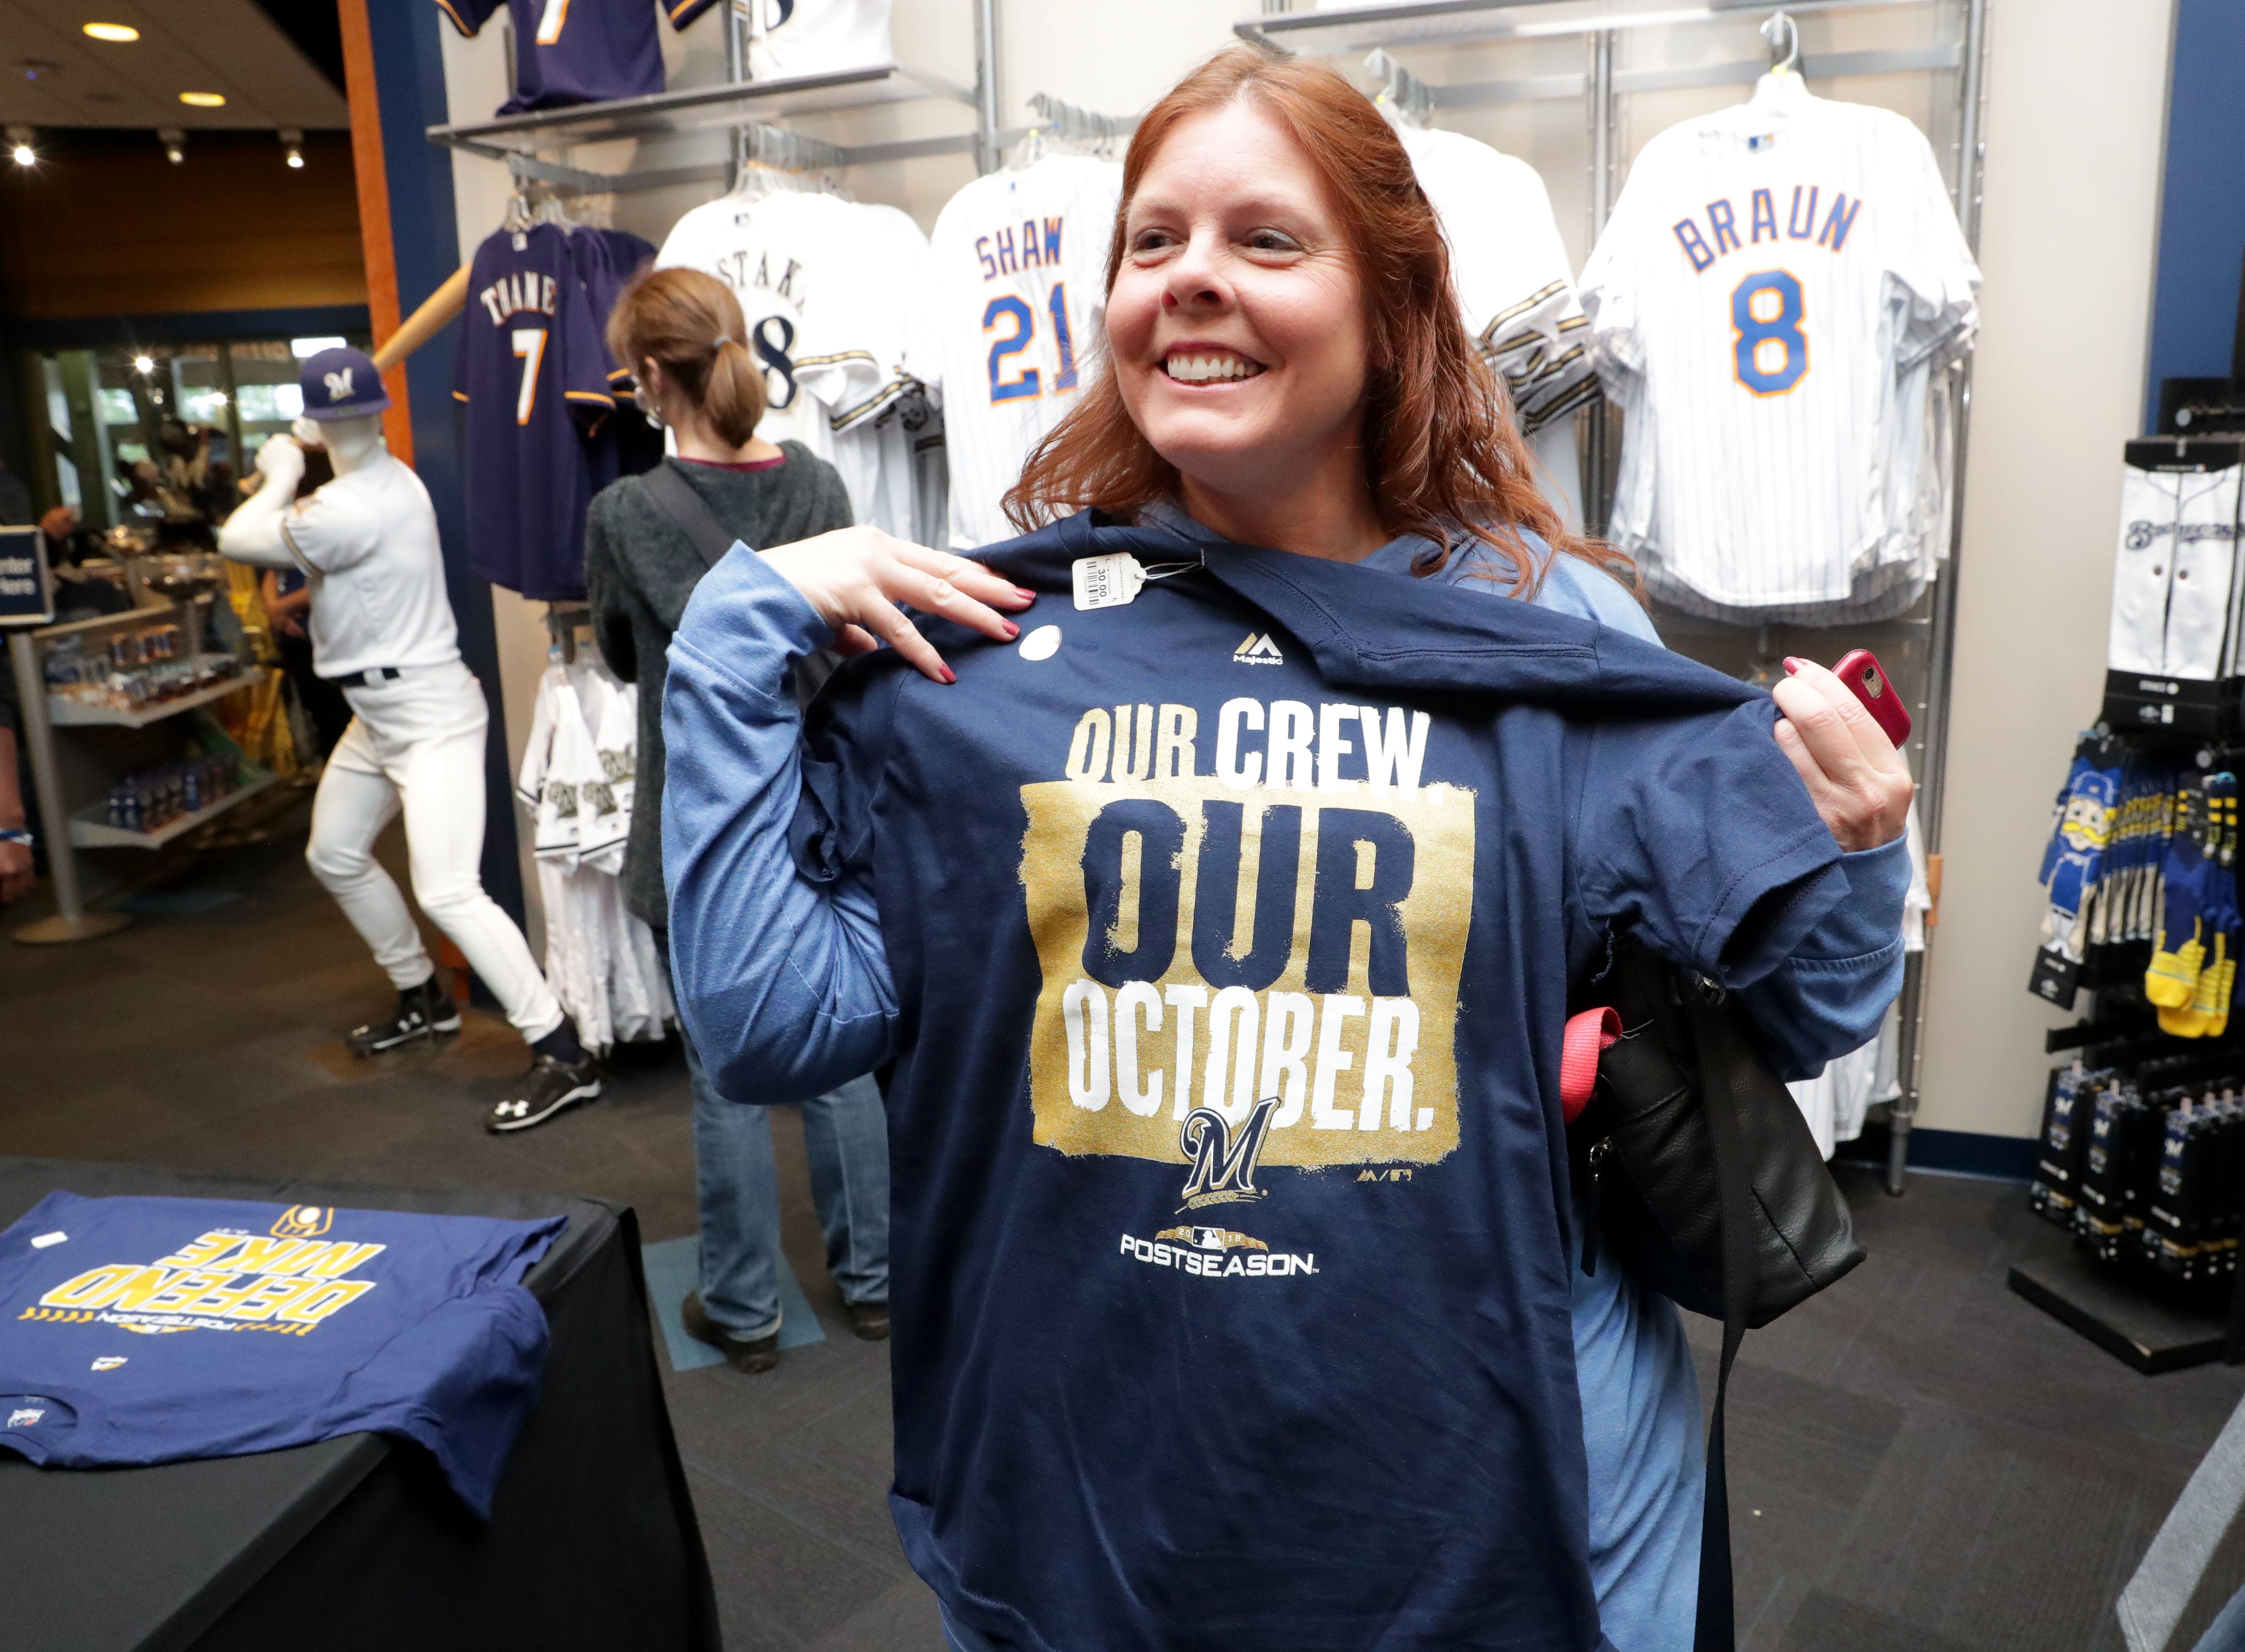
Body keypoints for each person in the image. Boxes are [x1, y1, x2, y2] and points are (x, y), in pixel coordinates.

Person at [663, 45, 1912, 1652]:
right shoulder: (980, 654)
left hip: (1501, 1490)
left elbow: (1801, 1010)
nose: (1192, 283)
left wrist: (1858, 840)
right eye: (1153, 243)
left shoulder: (1547, 628)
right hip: (1096, 1492)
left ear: (1390, 306)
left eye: (1264, 241)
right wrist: (728, 638)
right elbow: (772, 1027)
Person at [585, 268, 890, 1372]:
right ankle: (875, 1283)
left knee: (723, 1075)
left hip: (702, 825)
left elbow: (624, 656)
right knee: (847, 1055)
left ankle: (746, 1310)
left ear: (658, 378)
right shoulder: (817, 487)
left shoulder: (625, 515)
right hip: (821, 812)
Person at [217, 347, 600, 1133]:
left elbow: (236, 538)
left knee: (449, 888)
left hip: (429, 711)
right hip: (376, 713)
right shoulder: (368, 488)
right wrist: (308, 460)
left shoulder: (361, 503)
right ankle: (423, 995)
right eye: (337, 417)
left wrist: (281, 465)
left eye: (350, 416)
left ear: (369, 415)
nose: (346, 427)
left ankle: (562, 1050)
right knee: (333, 853)